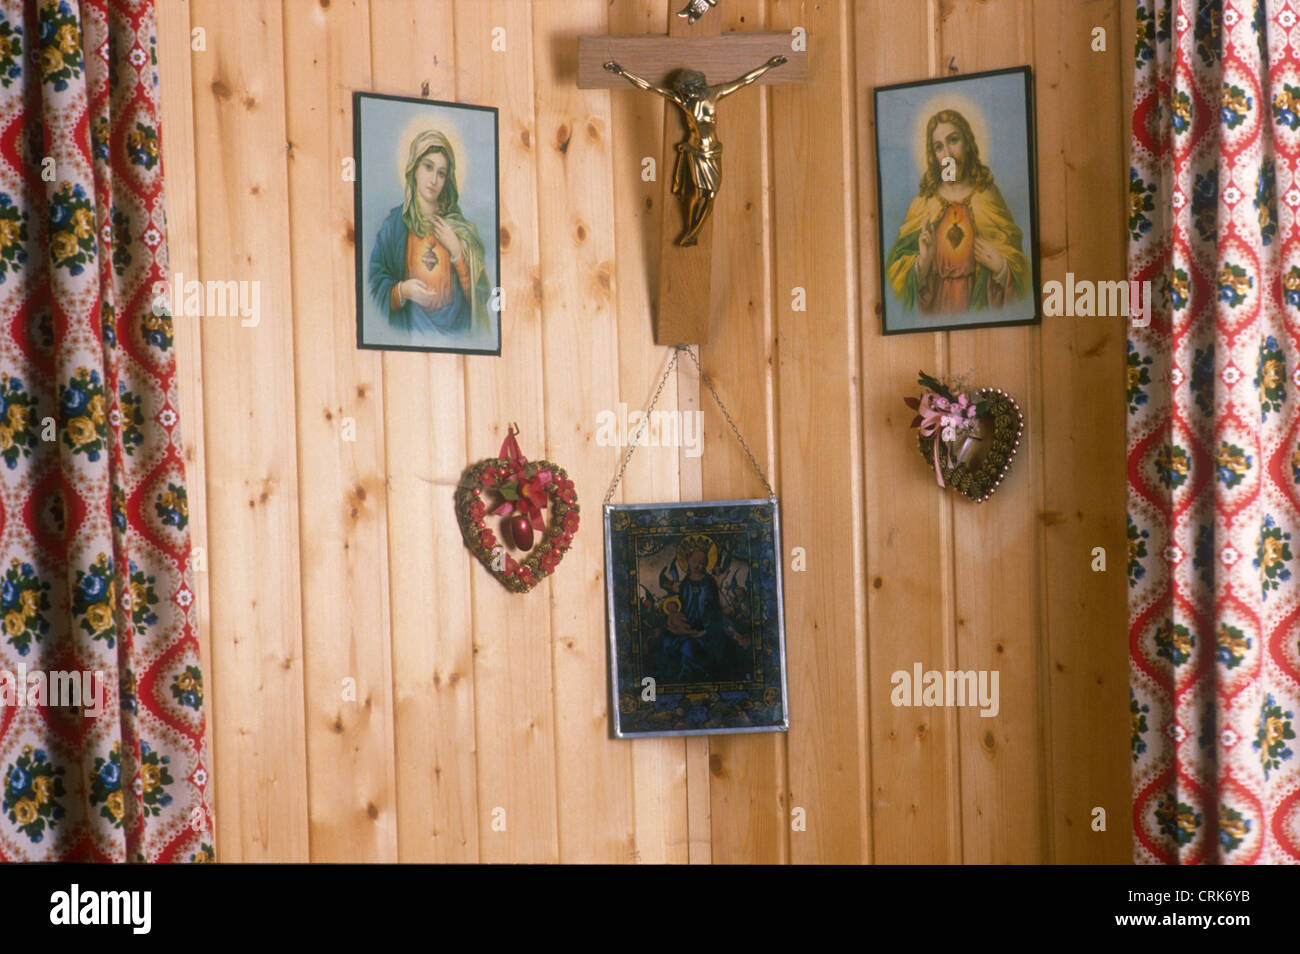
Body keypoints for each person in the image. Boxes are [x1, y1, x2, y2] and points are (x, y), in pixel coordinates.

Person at [604, 56, 787, 245]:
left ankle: (694, 231)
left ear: (695, 87)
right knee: (698, 193)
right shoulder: (683, 101)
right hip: (695, 152)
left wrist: (768, 66)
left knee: (712, 194)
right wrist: (621, 72)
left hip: (713, 152)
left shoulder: (714, 94)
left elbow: (744, 81)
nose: (684, 93)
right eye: (682, 91)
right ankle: (691, 231)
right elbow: (649, 87)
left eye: (686, 90)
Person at [884, 109, 1029, 315]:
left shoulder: (988, 197)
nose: (948, 155)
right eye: (939, 147)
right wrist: (923, 262)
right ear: (933, 156)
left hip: (979, 311)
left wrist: (1001, 267)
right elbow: (893, 280)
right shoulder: (923, 205)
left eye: (953, 140)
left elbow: (1022, 271)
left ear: (967, 144)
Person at [369, 130, 491, 338]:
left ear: (447, 180)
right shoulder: (394, 226)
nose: (433, 179)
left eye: (441, 173)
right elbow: (373, 288)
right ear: (414, 169)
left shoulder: (460, 229)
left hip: (456, 338)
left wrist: (456, 251)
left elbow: (480, 300)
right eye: (428, 167)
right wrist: (403, 291)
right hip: (409, 334)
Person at [655, 535, 750, 683]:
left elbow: (715, 608)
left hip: (709, 625)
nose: (699, 565)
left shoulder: (709, 582)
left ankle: (700, 675)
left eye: (702, 562)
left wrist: (706, 628)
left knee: (703, 646)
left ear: (707, 564)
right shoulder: (685, 583)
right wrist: (684, 624)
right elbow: (682, 605)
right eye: (695, 561)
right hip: (687, 624)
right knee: (667, 642)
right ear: (687, 561)